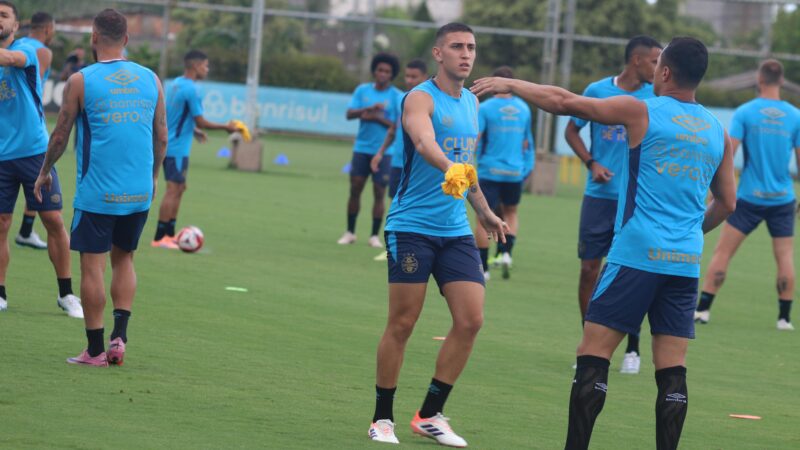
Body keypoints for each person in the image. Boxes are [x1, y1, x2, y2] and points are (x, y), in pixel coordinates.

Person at [471, 36, 736, 450]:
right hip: (684, 263)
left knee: (593, 355)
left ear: (664, 72)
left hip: (634, 256)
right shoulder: (718, 131)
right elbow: (728, 203)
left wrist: (513, 85)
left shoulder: (641, 110)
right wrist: (688, 232)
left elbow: (565, 102)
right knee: (672, 371)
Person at [369, 23, 508, 447]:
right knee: (403, 323)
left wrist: (484, 211)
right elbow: (424, 140)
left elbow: (468, 166)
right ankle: (382, 419)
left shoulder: (472, 103)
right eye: (457, 47)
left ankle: (429, 414)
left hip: (455, 230)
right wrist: (447, 166)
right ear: (438, 53)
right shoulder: (419, 97)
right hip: (411, 228)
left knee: (471, 320)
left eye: (471, 47)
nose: (466, 54)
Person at [34, 8, 167, 366]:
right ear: (126, 39)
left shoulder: (81, 80)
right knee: (124, 259)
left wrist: (45, 170)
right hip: (139, 191)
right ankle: (119, 336)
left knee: (92, 266)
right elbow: (162, 136)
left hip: (98, 192)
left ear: (93, 38)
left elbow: (61, 134)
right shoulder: (151, 79)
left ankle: (94, 351)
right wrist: (153, 177)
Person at [564, 35, 662, 374]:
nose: (659, 68)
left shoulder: (656, 98)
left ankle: (632, 347)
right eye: (654, 61)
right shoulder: (596, 91)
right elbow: (571, 131)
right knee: (589, 269)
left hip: (638, 203)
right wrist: (591, 162)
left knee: (630, 273)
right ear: (636, 60)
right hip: (599, 198)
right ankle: (589, 349)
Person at [695, 59, 800, 331]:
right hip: (782, 198)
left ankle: (703, 310)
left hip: (748, 198)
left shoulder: (745, 112)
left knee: (723, 252)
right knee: (785, 255)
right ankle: (784, 318)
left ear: (759, 80)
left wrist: (717, 192)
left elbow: (729, 152)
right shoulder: (795, 115)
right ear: (781, 82)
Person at [0, 0, 81, 317]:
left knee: (54, 221)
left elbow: (10, 58)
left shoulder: (26, 51)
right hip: (2, 158)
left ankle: (66, 294)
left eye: (4, 15)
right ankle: (1, 294)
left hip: (34, 152)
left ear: (16, 26)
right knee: (2, 224)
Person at [151, 50, 238, 248]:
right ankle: (160, 237)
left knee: (180, 188)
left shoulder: (174, 84)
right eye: (206, 66)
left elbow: (176, 115)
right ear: (196, 66)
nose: (207, 69)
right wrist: (226, 126)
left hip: (170, 144)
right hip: (177, 148)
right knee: (173, 190)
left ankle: (171, 234)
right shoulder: (192, 89)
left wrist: (195, 130)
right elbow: (201, 120)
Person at [474, 65, 534, 281]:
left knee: (483, 216)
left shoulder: (486, 108)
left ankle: (483, 267)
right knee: (511, 213)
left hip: (490, 170)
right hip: (514, 172)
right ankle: (507, 254)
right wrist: (527, 167)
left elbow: (476, 137)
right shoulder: (524, 108)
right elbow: (528, 143)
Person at [338, 53, 403, 248]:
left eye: (387, 71)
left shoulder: (397, 96)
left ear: (392, 75)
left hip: (385, 152)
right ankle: (350, 232)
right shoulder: (362, 90)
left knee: (379, 192)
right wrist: (368, 109)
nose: (382, 74)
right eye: (380, 70)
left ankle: (374, 235)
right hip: (361, 148)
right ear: (374, 71)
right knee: (355, 189)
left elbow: (396, 125)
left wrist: (375, 117)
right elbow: (349, 114)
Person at [14, 11, 56, 250]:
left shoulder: (17, 44)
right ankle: (26, 230)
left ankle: (26, 231)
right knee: (41, 177)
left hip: (9, 123)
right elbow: (33, 86)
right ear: (48, 28)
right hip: (30, 129)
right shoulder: (42, 51)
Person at [371, 59, 428, 200]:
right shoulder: (399, 99)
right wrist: (380, 153)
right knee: (396, 206)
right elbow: (393, 129)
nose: (409, 80)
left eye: (414, 77)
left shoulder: (432, 100)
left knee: (418, 208)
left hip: (421, 166)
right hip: (398, 162)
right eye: (407, 76)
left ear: (424, 78)